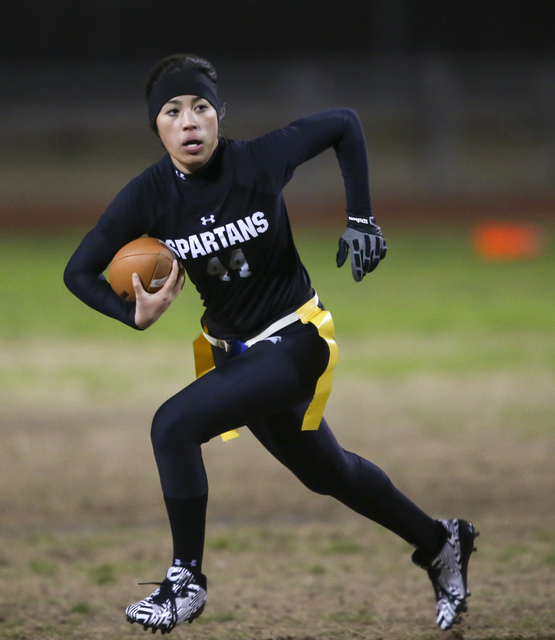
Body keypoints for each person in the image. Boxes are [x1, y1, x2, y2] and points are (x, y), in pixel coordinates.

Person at [64, 52, 478, 635]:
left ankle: (186, 581)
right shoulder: (148, 196)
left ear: (218, 116)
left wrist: (361, 218)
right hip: (236, 352)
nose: (189, 122)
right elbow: (77, 272)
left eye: (201, 108)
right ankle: (440, 541)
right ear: (156, 126)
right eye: (173, 111)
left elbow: (344, 123)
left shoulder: (256, 161)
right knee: (329, 473)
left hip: (295, 339)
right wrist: (132, 313)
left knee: (172, 426)